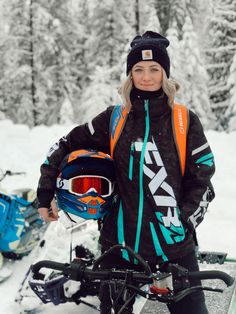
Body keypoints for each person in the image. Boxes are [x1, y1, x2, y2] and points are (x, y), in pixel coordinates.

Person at [37, 31, 215, 314]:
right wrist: (45, 193)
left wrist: (182, 222)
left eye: (154, 69)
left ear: (165, 73)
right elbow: (63, 147)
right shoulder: (114, 119)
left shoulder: (184, 121)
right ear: (129, 74)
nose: (146, 77)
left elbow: (203, 180)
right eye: (138, 70)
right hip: (118, 247)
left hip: (173, 248)